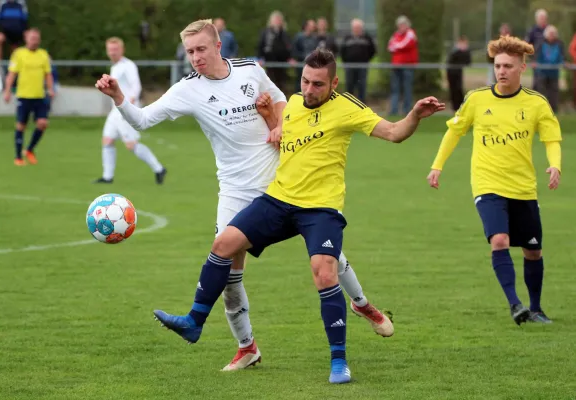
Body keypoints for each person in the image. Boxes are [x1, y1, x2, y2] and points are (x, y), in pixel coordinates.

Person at [95, 20, 394, 375]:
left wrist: (279, 126)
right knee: (228, 275)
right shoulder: (186, 90)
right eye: (190, 52)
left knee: (329, 258)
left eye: (201, 49)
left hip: (280, 184)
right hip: (235, 193)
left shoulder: (250, 70)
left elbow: (283, 100)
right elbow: (142, 121)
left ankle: (361, 304)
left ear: (218, 45)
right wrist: (118, 98)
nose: (195, 58)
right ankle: (246, 347)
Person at [427, 35, 562, 325]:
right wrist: (437, 165)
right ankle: (515, 305)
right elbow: (454, 131)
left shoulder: (537, 103)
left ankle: (536, 308)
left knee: (533, 250)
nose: (501, 71)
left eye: (508, 66)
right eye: (497, 65)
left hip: (523, 187)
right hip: (487, 184)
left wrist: (555, 165)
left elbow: (551, 138)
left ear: (522, 67)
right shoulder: (477, 99)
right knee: (499, 240)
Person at [93, 37, 166, 184]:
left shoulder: (128, 65)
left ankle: (159, 169)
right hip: (115, 112)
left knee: (130, 145)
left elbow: (136, 87)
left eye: (115, 49)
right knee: (107, 140)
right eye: (110, 49)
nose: (113, 52)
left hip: (124, 110)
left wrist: (128, 106)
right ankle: (108, 177)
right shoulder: (115, 67)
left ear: (122, 49)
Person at [3, 28, 53, 166]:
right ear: (26, 39)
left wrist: (50, 89)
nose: (34, 41)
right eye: (32, 38)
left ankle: (29, 150)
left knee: (43, 124)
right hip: (24, 96)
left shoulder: (43, 55)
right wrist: (7, 90)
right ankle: (18, 157)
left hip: (39, 96)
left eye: (37, 38)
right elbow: (12, 74)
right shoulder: (19, 54)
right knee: (21, 126)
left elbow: (48, 74)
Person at [387, 15, 419, 115]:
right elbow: (390, 47)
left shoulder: (410, 34)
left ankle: (407, 111)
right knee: (395, 89)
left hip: (407, 66)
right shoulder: (396, 34)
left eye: (403, 24)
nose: (401, 26)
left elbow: (404, 45)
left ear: (407, 25)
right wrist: (396, 46)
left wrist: (396, 46)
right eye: (399, 25)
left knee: (407, 89)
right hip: (396, 65)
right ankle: (394, 110)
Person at [340, 18, 376, 102]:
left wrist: (366, 60)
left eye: (358, 27)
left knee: (362, 86)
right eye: (355, 27)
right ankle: (348, 104)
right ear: (352, 28)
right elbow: (342, 52)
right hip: (349, 66)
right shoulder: (347, 38)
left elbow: (372, 51)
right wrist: (346, 62)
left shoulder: (367, 38)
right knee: (349, 85)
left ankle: (362, 105)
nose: (357, 29)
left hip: (362, 67)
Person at [534, 25, 564, 113]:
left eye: (553, 34)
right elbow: (536, 55)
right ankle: (541, 109)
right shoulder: (540, 43)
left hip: (554, 72)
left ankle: (553, 110)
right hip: (542, 72)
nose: (552, 35)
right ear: (546, 34)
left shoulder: (559, 44)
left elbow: (562, 56)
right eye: (550, 34)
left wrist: (563, 62)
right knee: (541, 91)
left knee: (553, 92)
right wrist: (535, 62)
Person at [0, 0, 28, 65]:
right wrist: (6, 28)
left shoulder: (21, 3)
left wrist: (20, 30)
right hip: (5, 32)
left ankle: (14, 67)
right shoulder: (2, 3)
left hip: (18, 32)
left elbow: (24, 19)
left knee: (15, 49)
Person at [446, 36, 471, 111]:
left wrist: (464, 51)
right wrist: (459, 50)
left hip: (458, 72)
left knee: (459, 89)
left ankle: (461, 106)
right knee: (453, 89)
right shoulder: (455, 51)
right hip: (451, 72)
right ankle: (454, 107)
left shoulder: (465, 52)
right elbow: (450, 60)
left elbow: (468, 62)